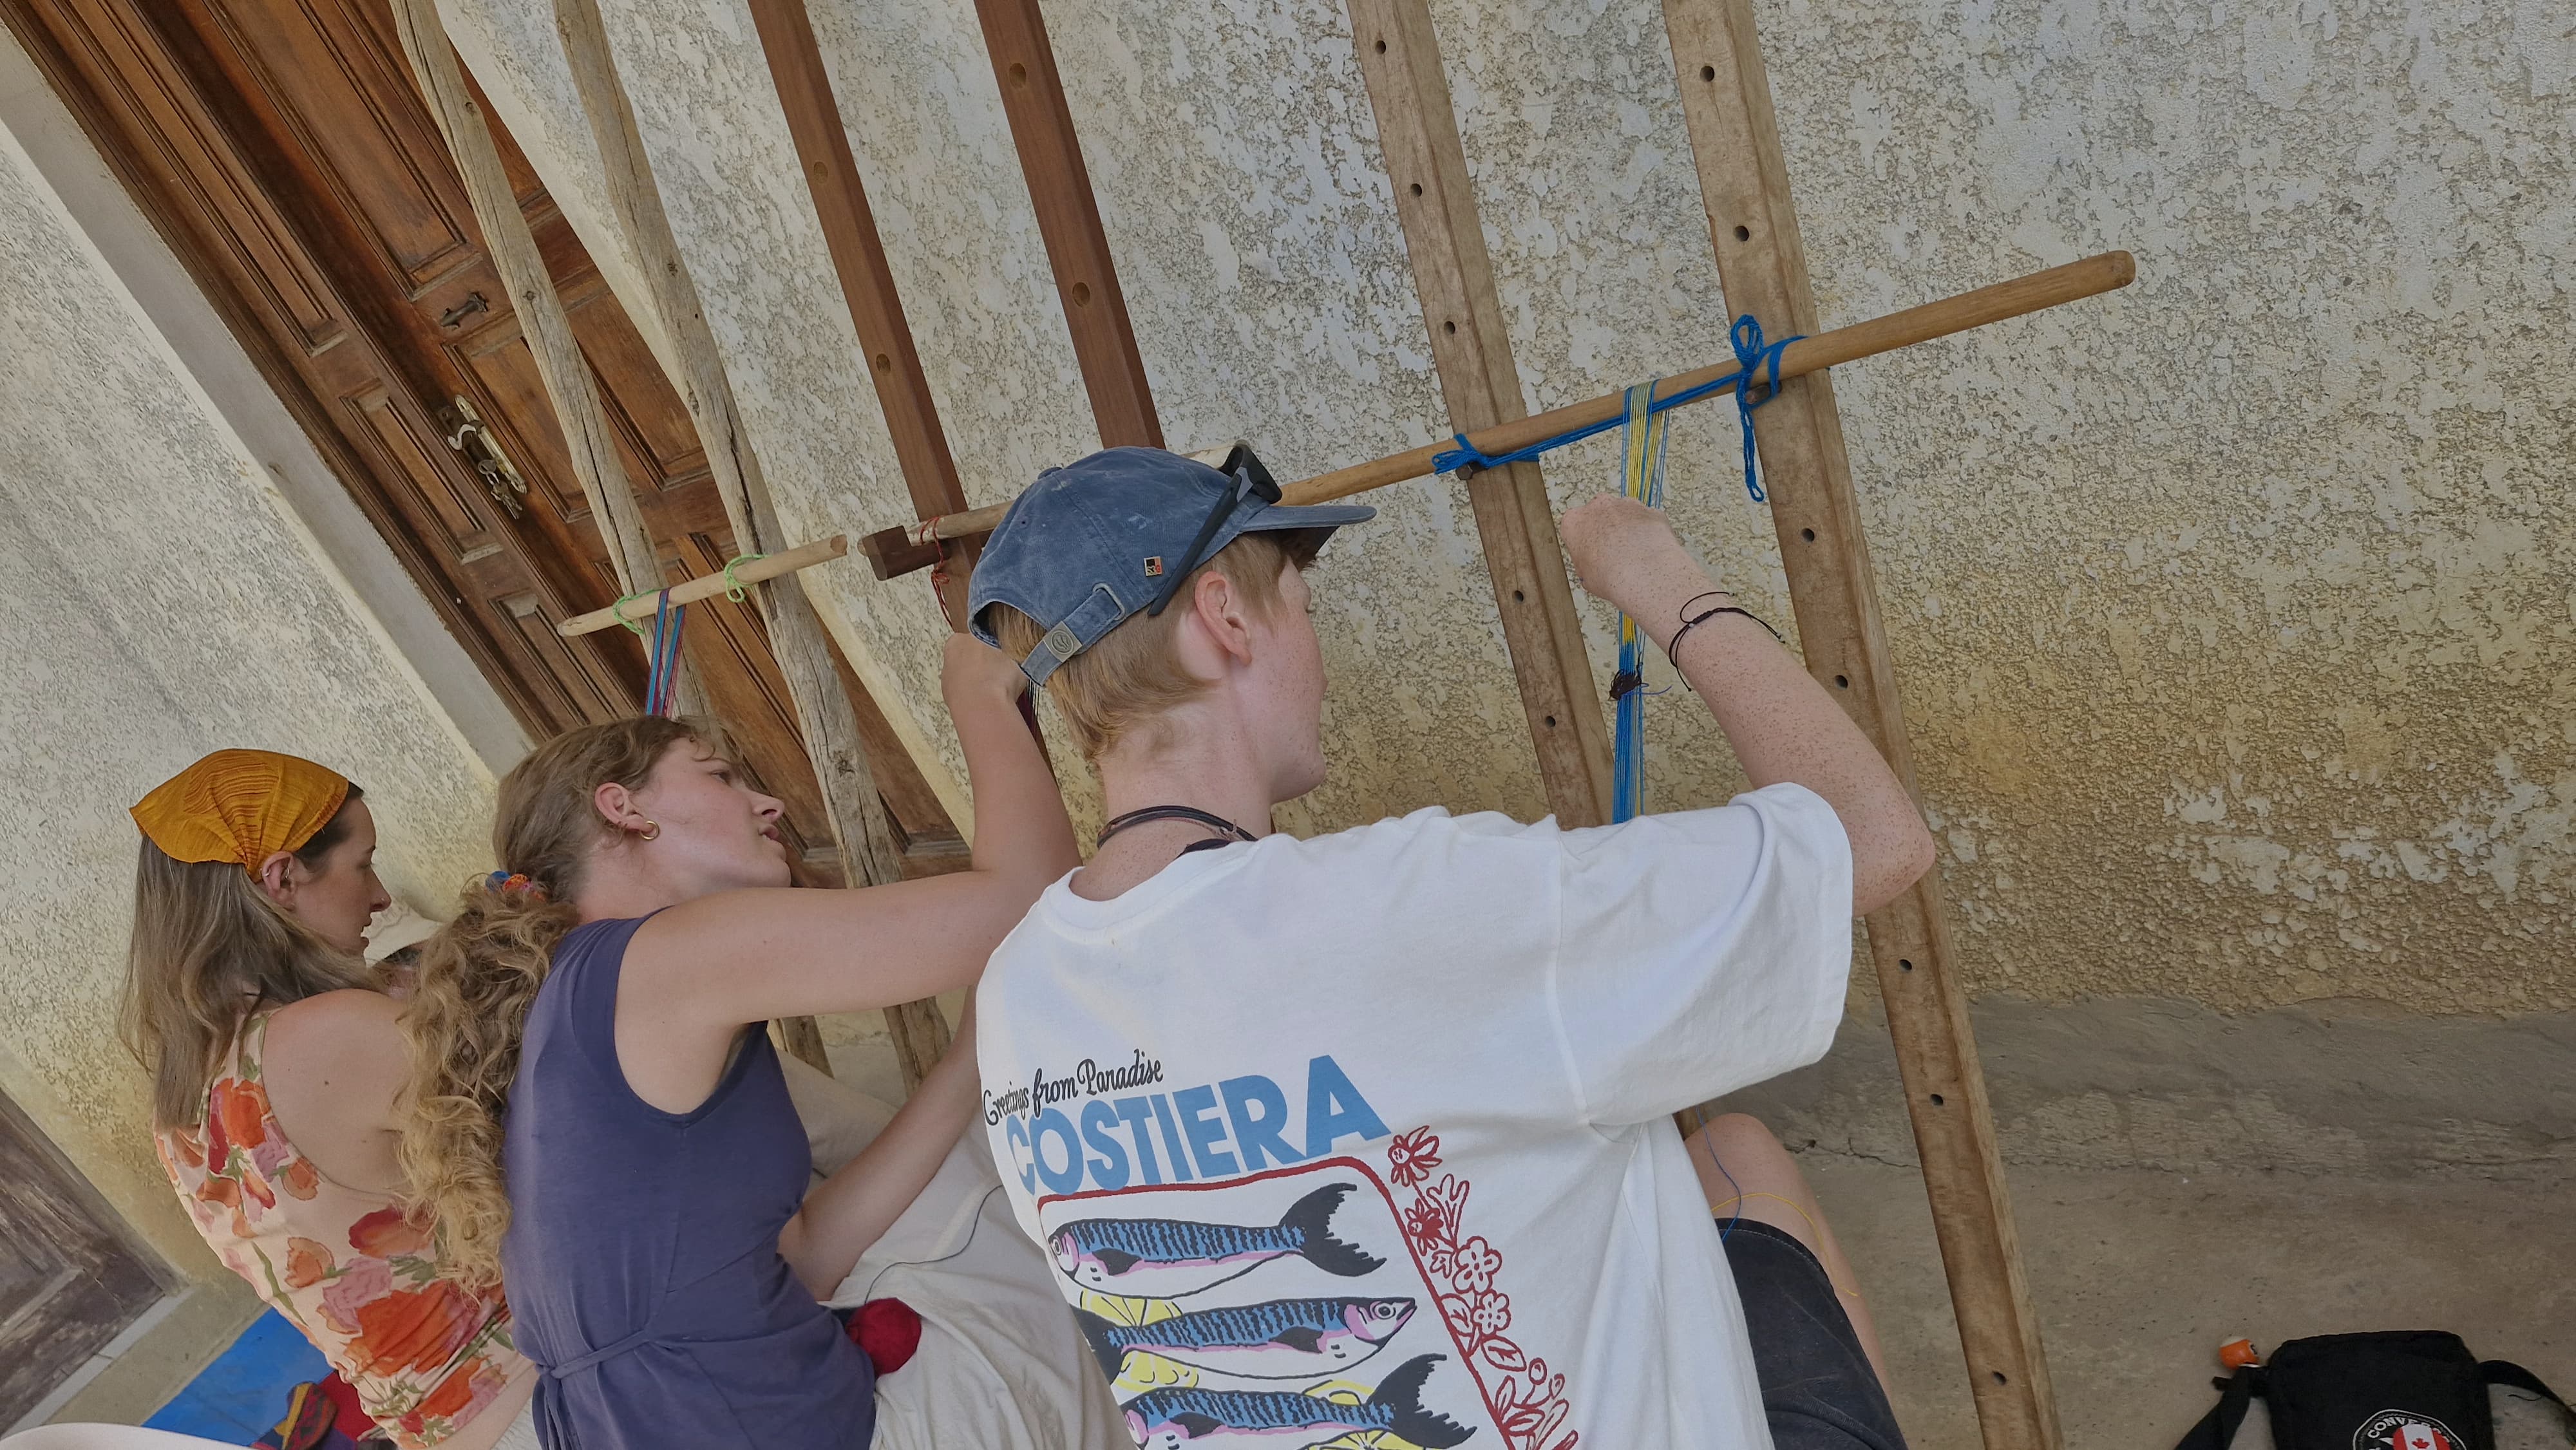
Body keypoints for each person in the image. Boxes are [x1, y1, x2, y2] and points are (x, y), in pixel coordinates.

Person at [964, 447, 1938, 1449]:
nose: (1318, 656)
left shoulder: (1017, 992)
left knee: (1723, 1154)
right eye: (1300, 605)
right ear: (1226, 617)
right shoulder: (1412, 902)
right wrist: (1658, 578)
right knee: (1739, 1153)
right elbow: (1874, 839)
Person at [399, 633, 1079, 1450]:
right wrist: (980, 696)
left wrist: (971, 1055)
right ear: (623, 808)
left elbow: (804, 1257)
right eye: (721, 776)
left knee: (977, 1183)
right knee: (1067, 1255)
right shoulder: (658, 958)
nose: (770, 804)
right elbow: (1028, 904)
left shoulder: (564, 1006)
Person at [126, 750, 538, 1450]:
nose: (379, 896)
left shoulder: (183, 1104)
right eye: (363, 863)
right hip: (534, 1399)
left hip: (444, 1431)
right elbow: (564, 1119)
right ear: (282, 877)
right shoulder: (327, 1034)